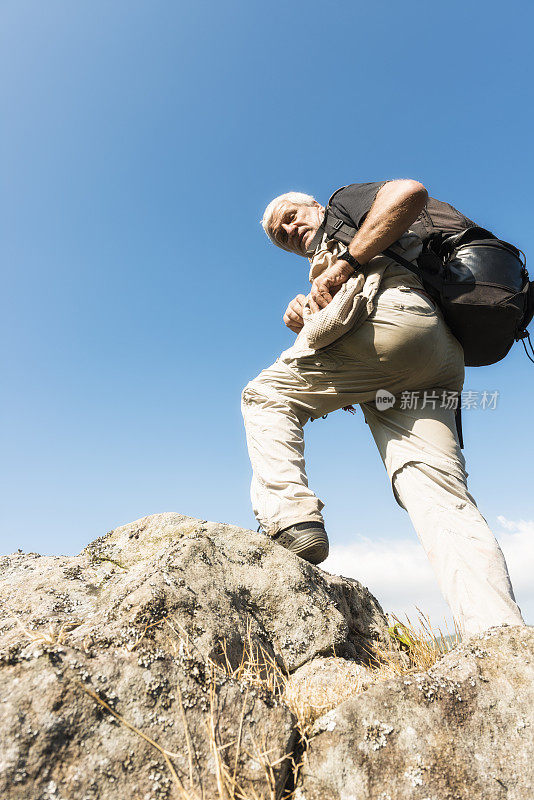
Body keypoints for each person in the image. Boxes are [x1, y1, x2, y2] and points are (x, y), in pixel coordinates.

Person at [241, 180, 526, 638]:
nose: (289, 229)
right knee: (437, 497)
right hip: (436, 363)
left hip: (393, 324)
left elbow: (409, 192)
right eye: (280, 234)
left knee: (266, 396)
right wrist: (308, 309)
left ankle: (289, 518)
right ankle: (498, 634)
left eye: (291, 216)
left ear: (314, 205)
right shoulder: (328, 253)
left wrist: (343, 266)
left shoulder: (343, 205)